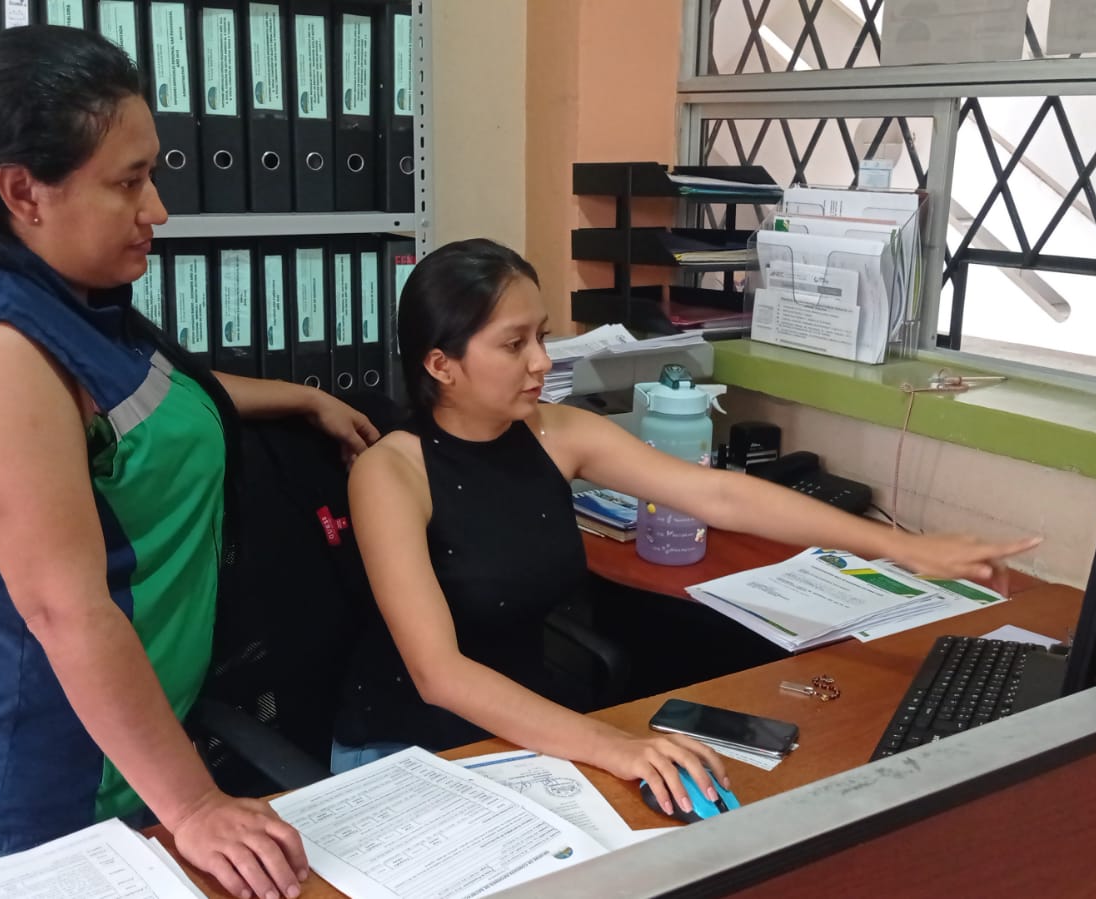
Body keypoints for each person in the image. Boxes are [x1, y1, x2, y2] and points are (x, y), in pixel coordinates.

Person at [0, 26, 375, 899]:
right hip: (19, 781)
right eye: (128, 182)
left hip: (118, 758)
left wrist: (299, 396)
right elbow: (65, 610)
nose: (156, 208)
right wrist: (196, 805)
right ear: (24, 190)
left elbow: (138, 405)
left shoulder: (66, 295)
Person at [334, 238, 1041, 816]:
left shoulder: (553, 432)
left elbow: (717, 495)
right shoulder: (390, 473)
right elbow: (440, 674)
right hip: (411, 750)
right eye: (514, 343)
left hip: (534, 729)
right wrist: (611, 746)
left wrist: (900, 547)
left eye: (541, 336)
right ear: (441, 364)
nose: (542, 361)